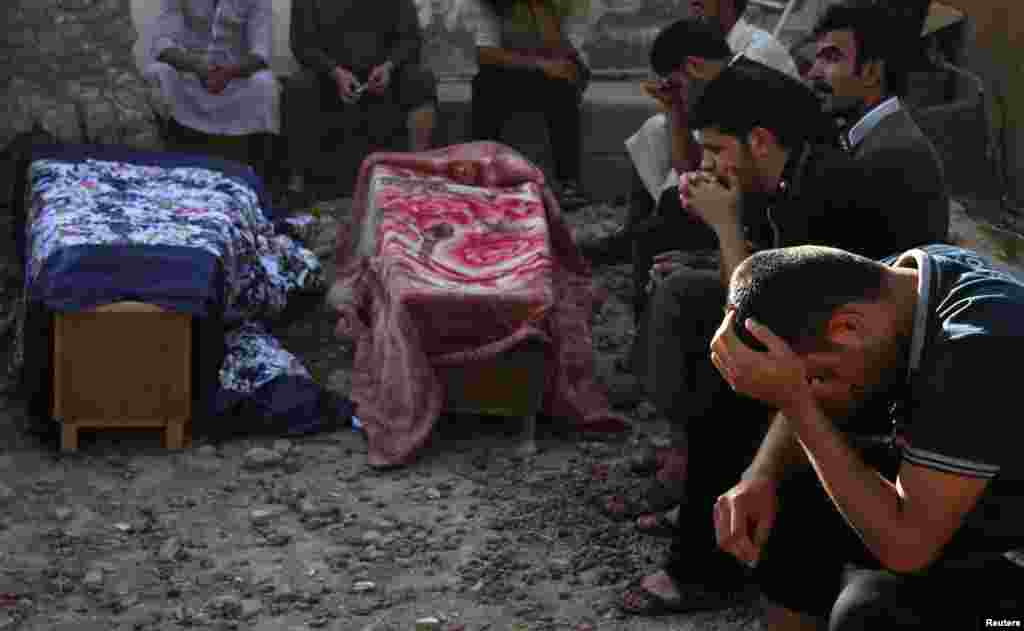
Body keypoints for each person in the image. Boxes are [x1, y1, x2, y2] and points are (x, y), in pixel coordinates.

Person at [619, 61, 952, 616]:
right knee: (691, 309)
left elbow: (761, 317)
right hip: (832, 341)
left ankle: (706, 568)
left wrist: (724, 225)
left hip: (876, 370)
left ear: (761, 140)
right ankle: (704, 505)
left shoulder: (822, 191)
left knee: (727, 386)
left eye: (719, 150)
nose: (712, 165)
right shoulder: (794, 176)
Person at [709, 244, 1024, 629]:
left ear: (849, 328)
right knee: (791, 483)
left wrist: (794, 401)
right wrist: (760, 476)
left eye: (817, 378)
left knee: (873, 614)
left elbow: (907, 548)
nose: (815, 391)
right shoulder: (897, 284)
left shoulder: (979, 349)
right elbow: (815, 411)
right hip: (997, 492)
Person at [582, 0, 799, 263]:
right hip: (753, 189)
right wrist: (674, 107)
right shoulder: (724, 72)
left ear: (693, 66)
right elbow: (696, 167)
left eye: (677, 85)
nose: (692, 3)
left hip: (773, 204)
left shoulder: (752, 66)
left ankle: (638, 244)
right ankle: (637, 234)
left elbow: (713, 169)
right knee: (670, 181)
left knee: (672, 214)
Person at [808, 1, 949, 245]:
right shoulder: (876, 133)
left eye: (831, 58)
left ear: (872, 72)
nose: (813, 72)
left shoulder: (888, 155)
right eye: (818, 58)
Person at [286, 0, 438, 202]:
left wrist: (389, 66)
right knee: (299, 86)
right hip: (329, 77)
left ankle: (421, 175)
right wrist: (334, 72)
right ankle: (297, 184)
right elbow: (302, 45)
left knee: (421, 81)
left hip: (384, 77)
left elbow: (410, 39)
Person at [462, 0, 592, 209]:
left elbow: (563, 56)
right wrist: (539, 65)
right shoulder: (493, 4)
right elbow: (485, 55)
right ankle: (483, 170)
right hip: (519, 67)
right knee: (484, 84)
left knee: (562, 88)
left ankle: (569, 182)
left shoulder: (571, 4)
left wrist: (541, 10)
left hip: (562, 65)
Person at [148, 0, 280, 180]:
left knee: (264, 85)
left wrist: (228, 73)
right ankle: (162, 166)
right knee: (159, 72)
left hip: (237, 75)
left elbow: (261, 52)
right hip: (190, 71)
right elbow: (162, 43)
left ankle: (260, 174)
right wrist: (196, 66)